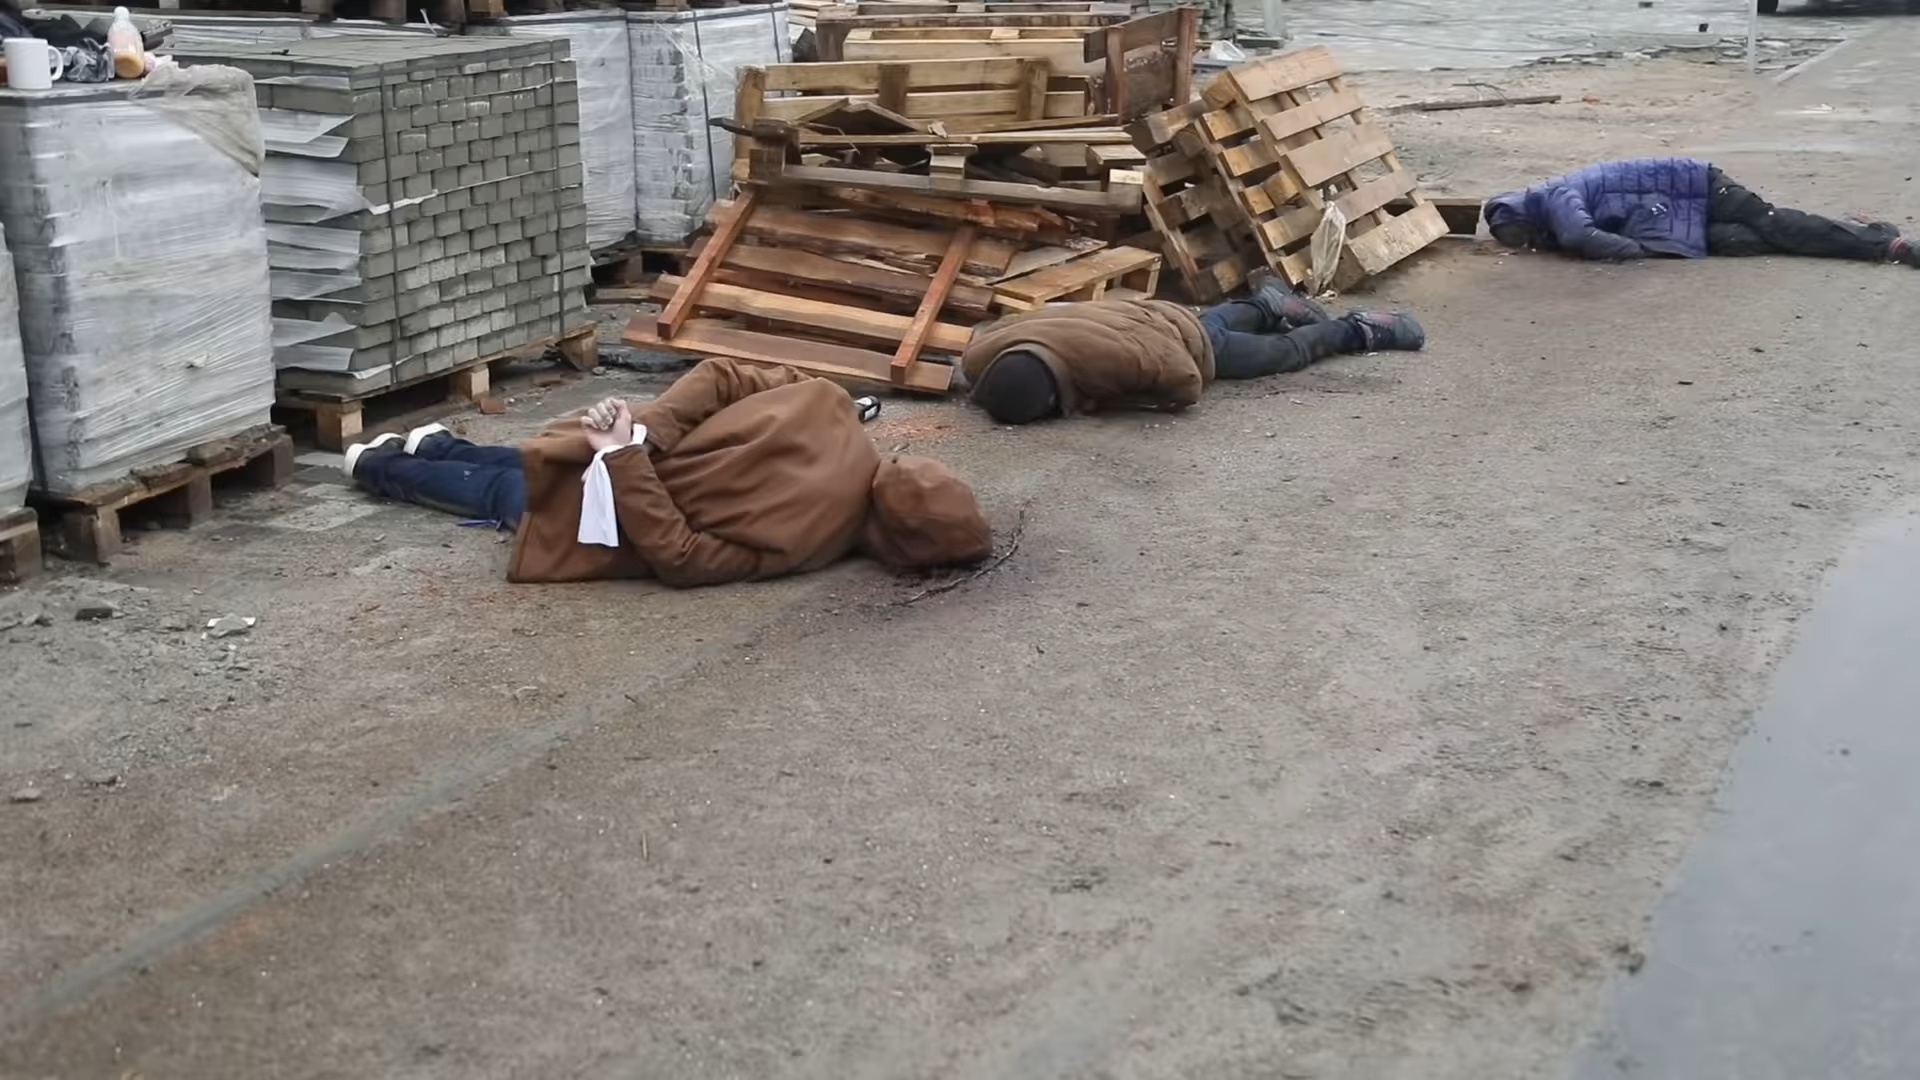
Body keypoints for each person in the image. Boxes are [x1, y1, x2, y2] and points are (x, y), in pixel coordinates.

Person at [341, 357, 993, 586]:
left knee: (537, 463)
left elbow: (723, 375)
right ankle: (380, 466)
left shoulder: (833, 407)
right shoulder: (807, 544)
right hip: (604, 509)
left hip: (613, 451)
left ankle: (432, 445)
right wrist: (630, 452)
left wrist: (647, 433)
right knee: (502, 491)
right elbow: (679, 557)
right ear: (896, 549)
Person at [960, 279, 1427, 425]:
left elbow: (1185, 383)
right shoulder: (980, 355)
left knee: (1280, 353)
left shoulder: (1116, 363)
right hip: (1146, 311)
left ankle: (1355, 329)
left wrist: (1118, 403)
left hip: (1181, 341)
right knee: (1211, 319)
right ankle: (1265, 302)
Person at [1484, 156, 1920, 266]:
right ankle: (1864, 234)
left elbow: (1582, 236)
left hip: (1696, 184)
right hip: (1671, 210)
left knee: (1774, 224)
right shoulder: (1550, 201)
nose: (1524, 246)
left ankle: (1890, 246)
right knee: (1745, 241)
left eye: (1519, 237)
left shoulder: (1556, 196)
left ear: (1524, 215)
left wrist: (1634, 252)